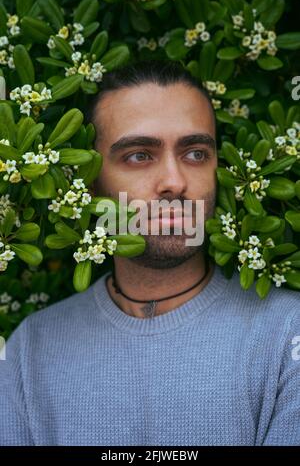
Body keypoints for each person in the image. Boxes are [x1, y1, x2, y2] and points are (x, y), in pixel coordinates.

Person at [0, 60, 299, 446]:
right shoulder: (31, 349)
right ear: (91, 182)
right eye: (139, 155)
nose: (174, 182)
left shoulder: (287, 335)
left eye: (195, 154)